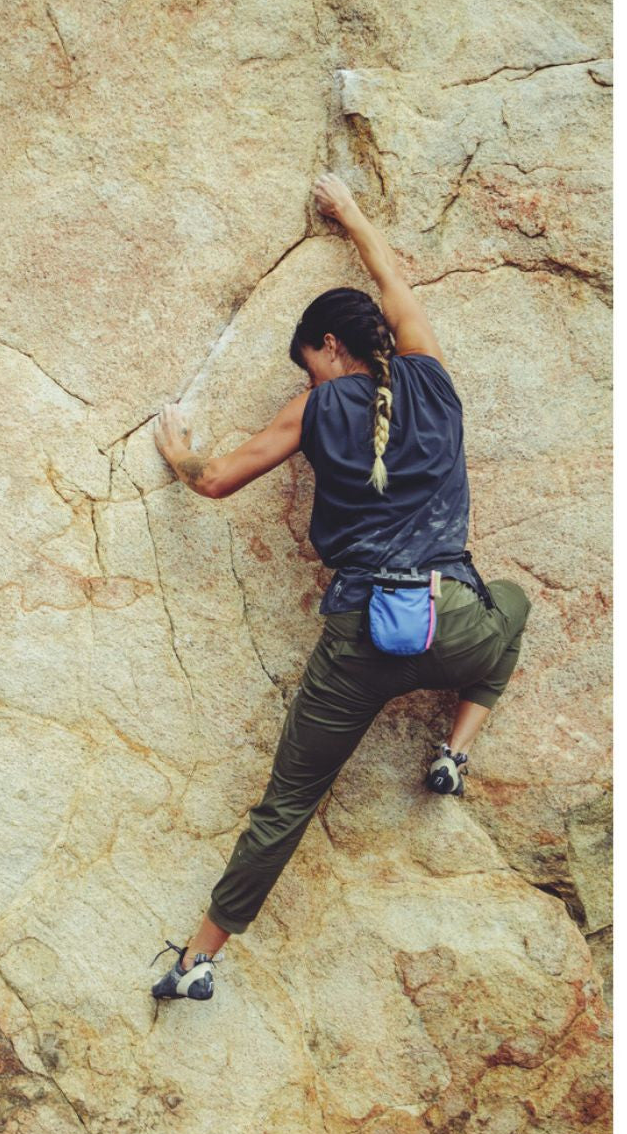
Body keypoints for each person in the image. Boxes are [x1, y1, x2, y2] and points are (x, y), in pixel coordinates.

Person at [147, 173, 532, 1002]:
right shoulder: (433, 378)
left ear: (327, 346)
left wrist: (177, 449)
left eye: (310, 365)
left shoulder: (315, 409)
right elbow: (393, 283)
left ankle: (198, 959)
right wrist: (351, 213)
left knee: (287, 802)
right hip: (455, 624)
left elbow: (215, 480)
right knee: (514, 604)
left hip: (362, 636)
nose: (313, 379)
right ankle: (455, 750)